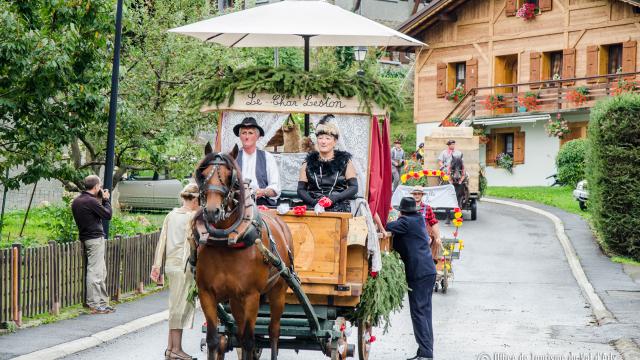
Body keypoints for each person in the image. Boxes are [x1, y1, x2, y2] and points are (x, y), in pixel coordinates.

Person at [151, 184, 199, 360]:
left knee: (174, 306)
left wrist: (157, 266)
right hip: (183, 266)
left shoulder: (171, 215)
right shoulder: (193, 217)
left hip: (170, 265)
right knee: (179, 308)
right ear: (194, 200)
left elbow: (162, 240)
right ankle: (177, 349)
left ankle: (171, 349)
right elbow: (192, 242)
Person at [386, 197, 436, 360]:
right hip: (428, 270)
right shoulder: (419, 219)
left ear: (402, 212)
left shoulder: (405, 222)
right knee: (425, 312)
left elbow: (388, 226)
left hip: (419, 273)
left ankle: (426, 353)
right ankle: (425, 351)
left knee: (419, 312)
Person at [71, 175, 114, 314]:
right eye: (99, 186)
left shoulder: (77, 201)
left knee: (101, 271)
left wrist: (99, 200)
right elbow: (107, 215)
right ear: (96, 187)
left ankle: (102, 302)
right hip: (95, 239)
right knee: (95, 272)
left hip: (87, 237)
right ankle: (94, 304)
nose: (100, 188)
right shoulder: (91, 201)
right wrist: (106, 200)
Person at [298, 115, 358, 213]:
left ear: (334, 142)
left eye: (327, 138)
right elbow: (301, 190)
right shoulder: (306, 164)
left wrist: (333, 199)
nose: (323, 142)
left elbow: (354, 187)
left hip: (339, 206)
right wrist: (314, 203)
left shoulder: (346, 162)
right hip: (313, 206)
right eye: (320, 138)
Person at [233, 117, 281, 206]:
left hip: (261, 203)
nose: (247, 137)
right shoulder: (232, 158)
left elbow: (275, 189)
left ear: (257, 137)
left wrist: (263, 192)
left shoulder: (267, 157)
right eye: (244, 133)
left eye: (250, 133)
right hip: (236, 204)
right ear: (240, 136)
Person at [410, 186, 442, 260]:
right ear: (413, 195)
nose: (417, 195)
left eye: (419, 194)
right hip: (411, 236)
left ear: (422, 195)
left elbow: (433, 223)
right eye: (415, 194)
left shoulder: (427, 208)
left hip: (423, 237)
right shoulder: (408, 207)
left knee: (425, 249)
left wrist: (438, 237)